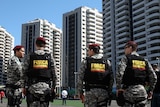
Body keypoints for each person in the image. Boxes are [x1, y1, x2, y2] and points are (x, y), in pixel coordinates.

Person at [116, 41, 157, 107]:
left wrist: (119, 88)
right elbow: (154, 77)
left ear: (130, 47)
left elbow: (120, 74)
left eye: (125, 48)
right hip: (142, 91)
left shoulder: (126, 58)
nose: (124, 50)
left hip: (129, 91)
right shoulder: (144, 60)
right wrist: (150, 90)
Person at [21, 36, 57, 107]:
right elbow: (54, 74)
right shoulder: (49, 57)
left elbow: (23, 72)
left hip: (32, 89)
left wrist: (23, 87)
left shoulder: (30, 56)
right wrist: (54, 87)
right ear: (45, 45)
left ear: (36, 44)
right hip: (46, 89)